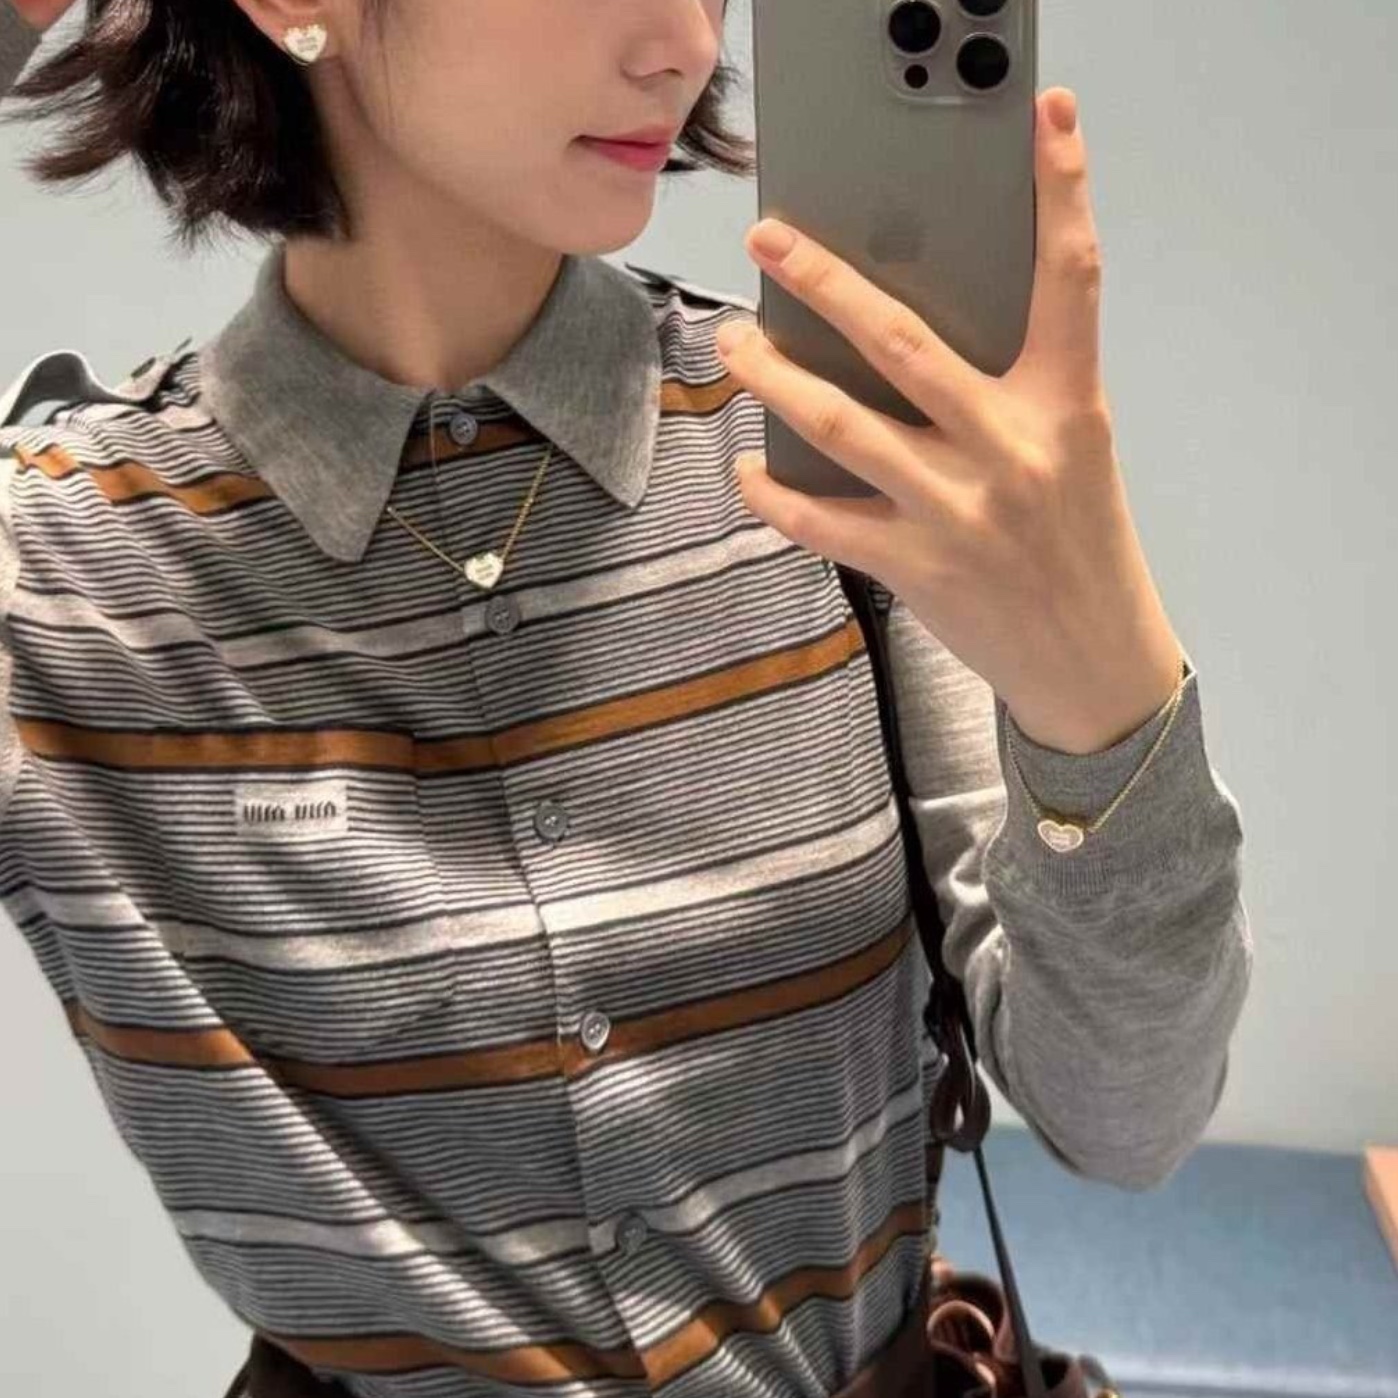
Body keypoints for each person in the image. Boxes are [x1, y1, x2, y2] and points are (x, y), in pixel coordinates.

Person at [0, 4, 1252, 1397]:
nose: (689, 43)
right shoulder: (62, 574)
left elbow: (1127, 1118)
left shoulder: (819, 448)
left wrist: (1103, 699)